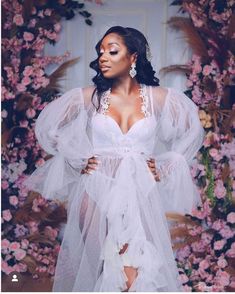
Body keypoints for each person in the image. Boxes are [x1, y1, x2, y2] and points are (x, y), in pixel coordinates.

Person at [24, 26, 205, 292]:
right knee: (105, 271)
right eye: (100, 52)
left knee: (135, 273)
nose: (103, 58)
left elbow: (192, 131)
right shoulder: (91, 97)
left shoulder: (157, 98)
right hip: (96, 193)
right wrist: (77, 158)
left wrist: (169, 163)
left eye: (112, 51)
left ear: (133, 57)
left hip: (140, 195)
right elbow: (48, 129)